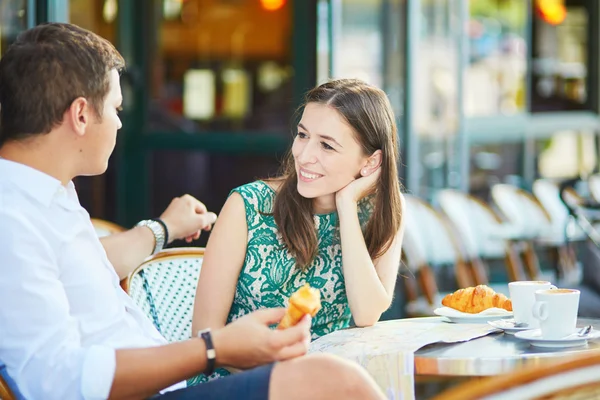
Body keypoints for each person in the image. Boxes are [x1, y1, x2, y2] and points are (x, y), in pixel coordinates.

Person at [0, 23, 387, 400]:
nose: (120, 122)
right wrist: (214, 349)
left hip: (169, 386)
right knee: (333, 381)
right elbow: (56, 382)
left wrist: (162, 228)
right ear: (81, 115)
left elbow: (84, 264)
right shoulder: (12, 219)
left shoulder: (50, 197)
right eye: (116, 108)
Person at [191, 79, 405, 382]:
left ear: (370, 162)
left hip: (328, 384)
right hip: (241, 381)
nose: (304, 156)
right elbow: (206, 336)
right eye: (303, 135)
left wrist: (346, 205)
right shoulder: (248, 206)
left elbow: (367, 313)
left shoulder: (379, 212)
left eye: (327, 145)